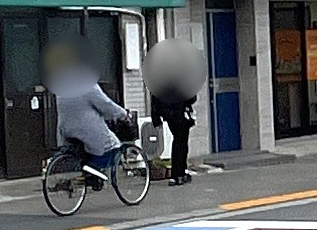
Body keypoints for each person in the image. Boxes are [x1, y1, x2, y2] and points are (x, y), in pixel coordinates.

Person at [46, 64, 137, 189]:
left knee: (83, 152)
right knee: (113, 145)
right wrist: (123, 114)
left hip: (66, 130)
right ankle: (92, 173)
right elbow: (106, 105)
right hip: (86, 129)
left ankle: (86, 171)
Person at [146, 34, 203, 184]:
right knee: (181, 143)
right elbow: (191, 96)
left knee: (176, 141)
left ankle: (176, 174)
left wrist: (156, 118)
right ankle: (179, 173)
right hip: (180, 113)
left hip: (167, 114)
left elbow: (154, 98)